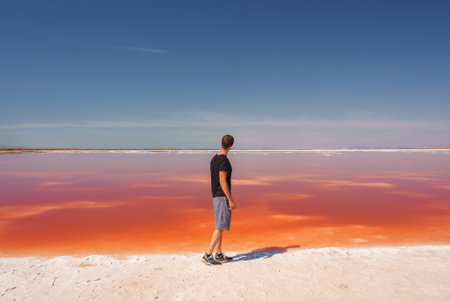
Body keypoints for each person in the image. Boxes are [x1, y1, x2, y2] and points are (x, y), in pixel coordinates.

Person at [201, 134, 236, 265]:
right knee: (220, 226)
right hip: (221, 196)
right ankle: (208, 254)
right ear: (231, 146)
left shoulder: (214, 159)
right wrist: (230, 199)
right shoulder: (223, 160)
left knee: (220, 226)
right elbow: (222, 180)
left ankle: (219, 254)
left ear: (222, 143)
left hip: (216, 195)